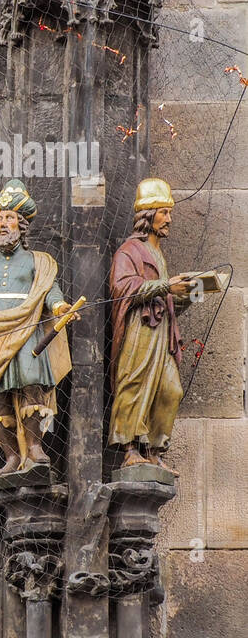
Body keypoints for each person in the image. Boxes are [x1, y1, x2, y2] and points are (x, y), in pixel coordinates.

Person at [0, 179, 75, 476]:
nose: (1, 225)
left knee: (31, 386)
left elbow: (49, 290)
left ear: (21, 225)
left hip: (28, 331)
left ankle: (33, 447)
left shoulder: (37, 262)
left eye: (8, 219)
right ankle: (9, 454)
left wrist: (59, 308)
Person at [108, 178, 195, 472]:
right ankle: (130, 448)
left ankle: (155, 449)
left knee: (171, 390)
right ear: (148, 215)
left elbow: (165, 297)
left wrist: (189, 294)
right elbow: (122, 287)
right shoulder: (129, 251)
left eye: (169, 212)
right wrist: (163, 286)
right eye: (164, 212)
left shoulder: (158, 253)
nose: (169, 219)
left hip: (162, 331)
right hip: (140, 330)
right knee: (133, 382)